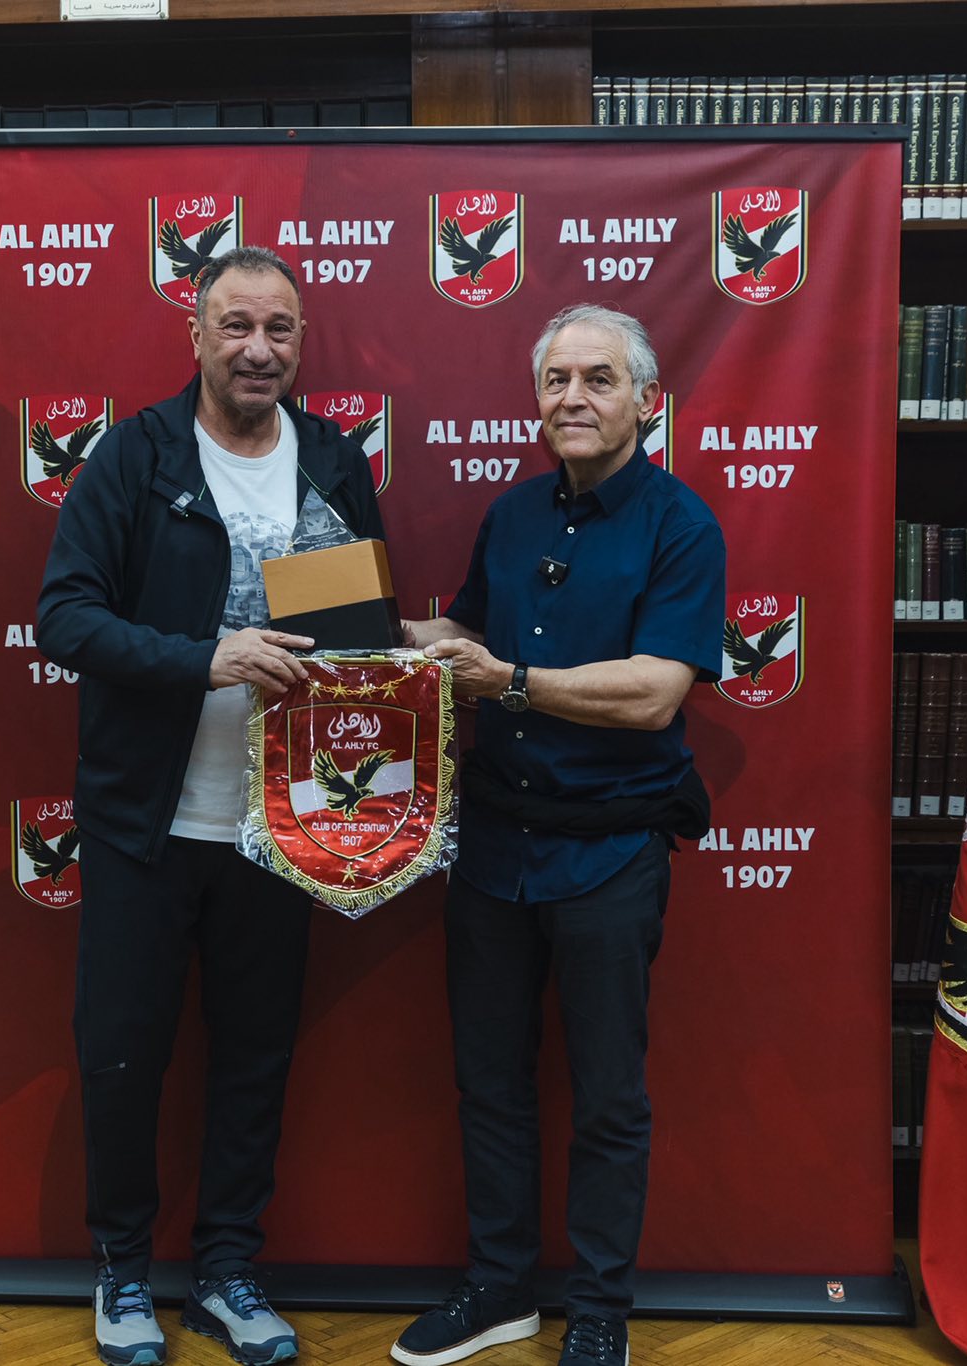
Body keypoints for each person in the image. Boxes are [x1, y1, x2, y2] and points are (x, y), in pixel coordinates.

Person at [37, 245, 386, 1366]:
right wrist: (206, 658)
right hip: (146, 823)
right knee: (122, 1055)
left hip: (280, 825)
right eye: (236, 325)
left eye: (279, 329)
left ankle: (229, 1270)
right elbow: (65, 617)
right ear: (195, 335)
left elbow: (352, 631)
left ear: (301, 342)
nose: (257, 349)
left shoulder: (331, 460)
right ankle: (122, 1270)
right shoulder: (135, 456)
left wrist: (402, 653)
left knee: (254, 1057)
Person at [389, 305, 727, 1366]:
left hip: (611, 851)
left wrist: (511, 682)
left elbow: (654, 693)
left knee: (607, 1096)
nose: (572, 398)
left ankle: (599, 1312)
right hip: (494, 846)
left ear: (647, 401)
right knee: (487, 1081)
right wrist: (365, 638)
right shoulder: (512, 514)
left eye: (597, 379)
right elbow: (466, 634)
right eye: (555, 381)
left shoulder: (682, 526)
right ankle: (498, 1290)